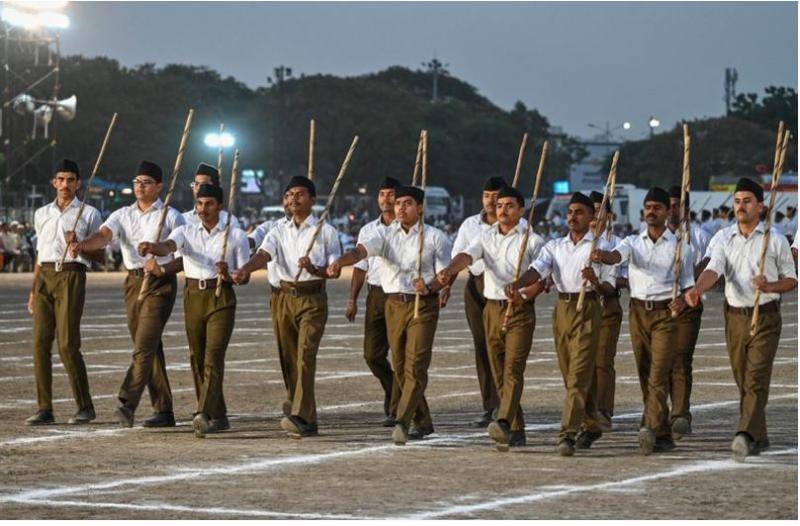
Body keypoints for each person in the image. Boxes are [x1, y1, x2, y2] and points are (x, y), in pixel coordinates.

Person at [683, 177, 797, 462]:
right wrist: (697, 289)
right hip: (734, 316)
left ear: (760, 206)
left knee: (756, 378)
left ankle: (744, 433)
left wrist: (769, 286)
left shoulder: (775, 239)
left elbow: (792, 279)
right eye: (737, 201)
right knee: (743, 380)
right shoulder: (724, 238)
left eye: (747, 201)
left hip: (766, 317)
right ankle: (760, 435)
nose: (741, 206)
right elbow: (714, 269)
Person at [327, 185, 451, 445]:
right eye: (398, 203)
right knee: (402, 367)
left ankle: (402, 421)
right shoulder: (383, 235)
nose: (401, 208)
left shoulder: (434, 237)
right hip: (392, 304)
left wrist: (430, 286)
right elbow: (361, 251)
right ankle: (424, 422)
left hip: (422, 305)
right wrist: (341, 261)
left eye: (408, 203)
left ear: (420, 208)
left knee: (416, 365)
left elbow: (444, 275)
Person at [70, 161, 181, 428]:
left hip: (159, 283)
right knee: (149, 345)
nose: (140, 187)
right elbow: (103, 235)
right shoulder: (122, 214)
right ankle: (164, 410)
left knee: (144, 344)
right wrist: (83, 245)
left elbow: (179, 252)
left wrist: (158, 258)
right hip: (133, 282)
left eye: (146, 183)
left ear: (159, 187)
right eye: (137, 182)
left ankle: (127, 402)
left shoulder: (172, 215)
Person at [233, 176, 341, 438]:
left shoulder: (326, 232)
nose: (294, 199)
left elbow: (333, 270)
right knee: (289, 357)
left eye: (300, 194)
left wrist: (314, 268)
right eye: (290, 194)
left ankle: (301, 415)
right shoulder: (278, 230)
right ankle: (304, 413)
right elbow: (264, 254)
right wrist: (245, 269)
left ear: (313, 200)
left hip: (312, 298)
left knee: (305, 354)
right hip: (282, 297)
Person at [508, 192, 615, 456]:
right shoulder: (555, 246)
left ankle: (567, 434)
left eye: (579, 212)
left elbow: (610, 288)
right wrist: (518, 283)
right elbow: (537, 270)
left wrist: (595, 280)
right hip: (563, 309)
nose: (572, 217)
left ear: (591, 217)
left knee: (578, 374)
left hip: (588, 307)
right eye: (570, 212)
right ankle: (591, 424)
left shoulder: (601, 249)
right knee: (571, 375)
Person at [438, 186, 544, 451]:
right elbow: (467, 256)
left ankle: (504, 421)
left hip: (519, 310)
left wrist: (523, 293)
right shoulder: (485, 236)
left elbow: (542, 278)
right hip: (492, 309)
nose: (503, 210)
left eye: (509, 205)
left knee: (513, 368)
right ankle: (517, 428)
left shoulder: (532, 240)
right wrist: (449, 270)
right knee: (498, 370)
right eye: (499, 206)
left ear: (521, 210)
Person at [140, 183, 250, 437]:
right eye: (199, 203)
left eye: (209, 203)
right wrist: (152, 247)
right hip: (192, 296)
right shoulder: (185, 231)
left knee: (213, 356)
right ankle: (218, 415)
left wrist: (227, 274)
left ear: (219, 206)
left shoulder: (235, 236)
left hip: (221, 296)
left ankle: (203, 412)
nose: (203, 209)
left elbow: (242, 277)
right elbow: (169, 246)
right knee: (197, 357)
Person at [592, 187, 694, 455]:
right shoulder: (632, 243)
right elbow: (616, 256)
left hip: (665, 315)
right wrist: (602, 256)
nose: (651, 212)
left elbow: (688, 286)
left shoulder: (681, 248)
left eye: (657, 208)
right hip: (638, 313)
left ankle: (648, 426)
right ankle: (662, 433)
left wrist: (682, 301)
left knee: (659, 373)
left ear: (667, 212)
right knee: (645, 371)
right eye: (648, 207)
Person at [26, 159, 102, 425]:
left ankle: (85, 407)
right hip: (44, 276)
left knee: (68, 344)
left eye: (71, 179)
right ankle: (44, 408)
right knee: (39, 344)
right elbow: (40, 255)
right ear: (54, 183)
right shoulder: (41, 213)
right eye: (61, 179)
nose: (65, 184)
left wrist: (80, 244)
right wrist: (33, 290)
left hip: (71, 275)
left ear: (78, 183)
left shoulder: (89, 213)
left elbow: (102, 255)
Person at [449, 176, 509, 427]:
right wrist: (445, 285)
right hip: (476, 285)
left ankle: (507, 402)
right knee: (481, 345)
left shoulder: (516, 225)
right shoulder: (470, 225)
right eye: (486, 196)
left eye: (496, 196)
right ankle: (490, 405)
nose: (491, 201)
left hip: (504, 288)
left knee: (503, 346)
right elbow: (458, 256)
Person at [346, 177, 402, 425]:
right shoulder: (368, 230)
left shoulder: (409, 228)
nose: (385, 199)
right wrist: (352, 299)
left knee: (400, 353)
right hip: (376, 294)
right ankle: (393, 388)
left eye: (391, 194)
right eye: (381, 194)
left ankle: (397, 408)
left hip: (400, 295)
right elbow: (360, 267)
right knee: (372, 354)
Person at [665, 185, 709, 440]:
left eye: (677, 205)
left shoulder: (699, 236)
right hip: (662, 305)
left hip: (689, 305)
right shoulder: (654, 235)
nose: (672, 210)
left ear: (686, 208)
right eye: (669, 205)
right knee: (661, 361)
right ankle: (658, 412)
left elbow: (708, 267)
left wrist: (688, 289)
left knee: (681, 359)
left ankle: (680, 414)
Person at [588, 191, 625, 431]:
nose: (593, 216)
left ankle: (603, 410)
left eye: (598, 210)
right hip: (582, 307)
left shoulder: (618, 244)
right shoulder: (579, 242)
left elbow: (627, 278)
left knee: (602, 360)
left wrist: (604, 274)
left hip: (607, 304)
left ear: (609, 215)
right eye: (590, 211)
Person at [183, 163, 241, 229]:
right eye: (196, 184)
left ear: (215, 187)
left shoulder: (229, 220)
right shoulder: (183, 219)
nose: (198, 188)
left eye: (203, 184)